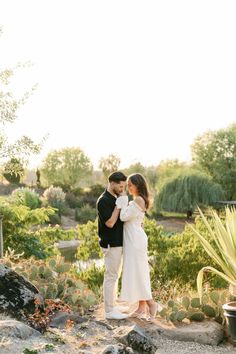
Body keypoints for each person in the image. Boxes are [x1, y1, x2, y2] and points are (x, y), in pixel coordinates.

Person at [115, 173, 162, 321]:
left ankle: (151, 303)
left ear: (138, 185)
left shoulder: (138, 200)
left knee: (139, 272)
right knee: (137, 271)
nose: (128, 187)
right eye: (127, 184)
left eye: (130, 184)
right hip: (133, 239)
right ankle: (141, 307)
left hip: (135, 241)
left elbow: (123, 217)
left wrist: (121, 201)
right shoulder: (138, 200)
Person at [96, 171, 129, 320]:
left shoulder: (115, 198)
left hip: (118, 243)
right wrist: (118, 206)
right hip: (110, 243)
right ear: (112, 183)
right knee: (111, 276)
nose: (122, 190)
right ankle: (109, 311)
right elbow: (110, 223)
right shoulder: (103, 200)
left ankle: (113, 305)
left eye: (123, 187)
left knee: (116, 276)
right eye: (120, 187)